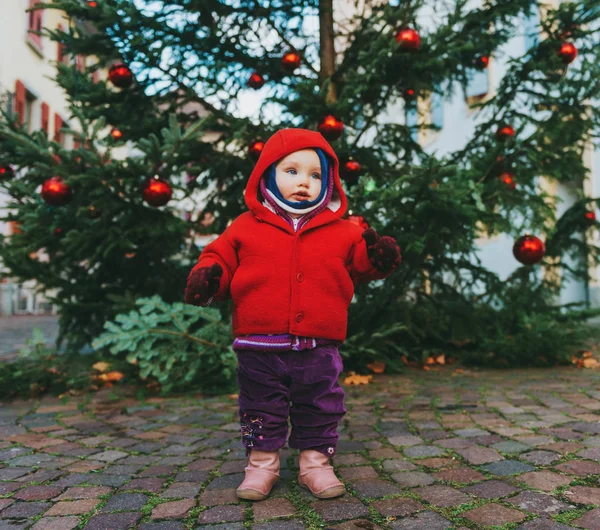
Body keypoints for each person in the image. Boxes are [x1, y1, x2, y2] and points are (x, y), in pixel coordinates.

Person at [184, 128, 401, 501]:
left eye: (316, 175)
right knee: (259, 404)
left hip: (319, 342)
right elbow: (218, 257)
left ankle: (315, 464)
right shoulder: (245, 226)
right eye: (292, 171)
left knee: (320, 402)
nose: (304, 182)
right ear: (268, 174)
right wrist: (210, 278)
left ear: (328, 182)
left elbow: (361, 263)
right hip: (259, 342)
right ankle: (261, 466)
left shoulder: (344, 230)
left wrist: (377, 256)